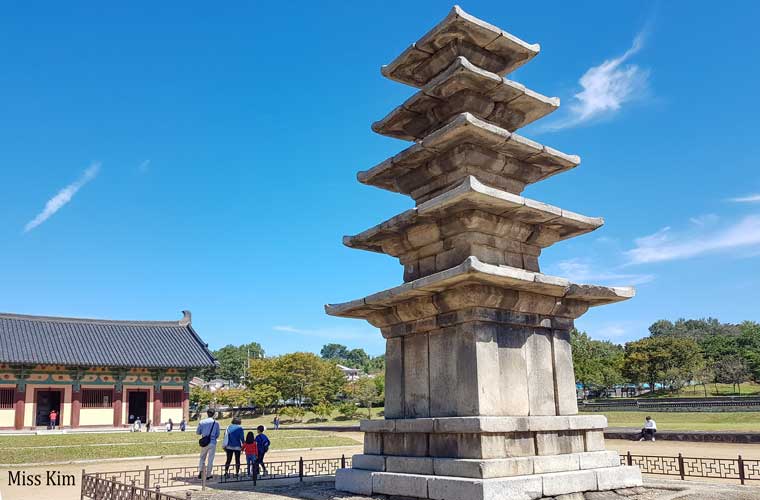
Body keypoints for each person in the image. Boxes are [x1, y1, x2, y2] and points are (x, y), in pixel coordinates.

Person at [196, 409, 220, 480]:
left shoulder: (202, 422)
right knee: (210, 459)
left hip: (204, 442)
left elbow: (198, 432)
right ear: (214, 414)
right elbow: (217, 434)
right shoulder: (216, 423)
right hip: (212, 442)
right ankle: (209, 475)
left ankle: (200, 472)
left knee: (202, 457)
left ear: (207, 413)